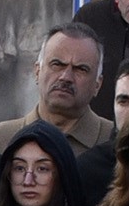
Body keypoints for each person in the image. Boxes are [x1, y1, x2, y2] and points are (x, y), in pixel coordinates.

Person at [33, 24, 112, 154]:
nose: (66, 77)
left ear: (98, 84)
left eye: (81, 69)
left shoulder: (118, 144)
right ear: (37, 71)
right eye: (57, 65)